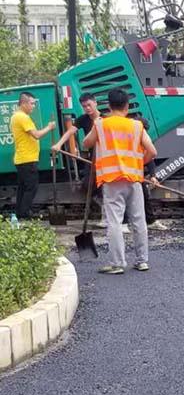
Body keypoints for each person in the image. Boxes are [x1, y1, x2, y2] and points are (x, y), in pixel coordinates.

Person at [82, 88, 157, 275]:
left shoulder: (101, 124)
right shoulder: (136, 126)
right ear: (127, 106)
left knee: (114, 222)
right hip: (134, 178)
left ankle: (117, 263)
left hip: (112, 179)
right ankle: (142, 261)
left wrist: (96, 126)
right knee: (139, 220)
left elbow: (86, 144)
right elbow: (152, 151)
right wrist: (140, 162)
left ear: (108, 105)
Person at [52, 92, 103, 214]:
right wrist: (59, 144)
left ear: (95, 103)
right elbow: (70, 132)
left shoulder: (105, 119)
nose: (87, 108)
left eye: (89, 105)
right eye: (84, 106)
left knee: (105, 186)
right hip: (92, 157)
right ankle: (101, 205)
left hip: (105, 157)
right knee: (87, 184)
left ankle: (108, 214)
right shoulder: (83, 119)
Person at [10, 92, 56, 219]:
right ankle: (24, 214)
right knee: (31, 188)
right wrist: (49, 127)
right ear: (23, 103)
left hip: (22, 158)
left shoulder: (16, 116)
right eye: (31, 103)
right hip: (27, 159)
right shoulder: (22, 117)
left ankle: (20, 213)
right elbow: (36, 135)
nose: (33, 106)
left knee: (23, 188)